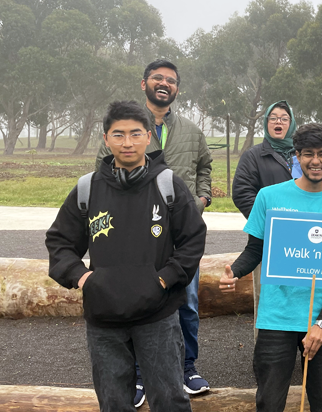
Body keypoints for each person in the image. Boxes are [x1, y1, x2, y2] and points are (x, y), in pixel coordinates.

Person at [46, 100, 207, 412]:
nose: (127, 142)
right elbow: (59, 242)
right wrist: (83, 278)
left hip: (157, 316)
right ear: (106, 139)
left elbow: (193, 239)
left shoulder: (168, 185)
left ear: (149, 137)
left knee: (170, 400)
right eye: (118, 135)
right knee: (114, 402)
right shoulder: (87, 189)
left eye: (135, 134)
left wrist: (164, 278)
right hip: (104, 319)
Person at [95, 59, 213, 405]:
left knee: (187, 302)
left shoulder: (192, 130)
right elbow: (103, 173)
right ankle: (140, 376)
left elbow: (204, 165)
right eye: (157, 78)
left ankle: (186, 366)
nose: (164, 84)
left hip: (180, 234)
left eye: (171, 81)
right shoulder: (125, 126)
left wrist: (201, 197)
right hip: (135, 235)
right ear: (143, 82)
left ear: (177, 88)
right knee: (134, 302)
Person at [219, 123, 322, 412]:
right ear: (296, 156)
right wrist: (236, 270)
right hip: (275, 318)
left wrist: (321, 323)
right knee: (269, 403)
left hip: (321, 324)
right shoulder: (269, 197)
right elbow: (255, 249)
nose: (315, 161)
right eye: (307, 154)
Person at [232, 100, 301, 218]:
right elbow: (242, 193)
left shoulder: (304, 154)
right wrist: (267, 220)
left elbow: (320, 184)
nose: (278, 121)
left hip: (303, 226)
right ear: (266, 122)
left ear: (291, 123)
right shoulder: (252, 156)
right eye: (273, 118)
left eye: (284, 119)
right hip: (268, 228)